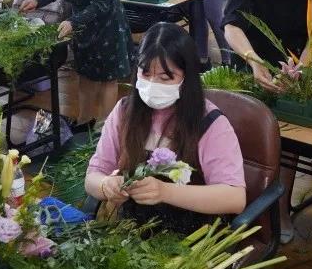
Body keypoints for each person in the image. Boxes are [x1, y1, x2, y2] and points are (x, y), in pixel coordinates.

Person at [224, 0, 312, 242]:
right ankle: (239, 205)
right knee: (246, 135)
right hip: (251, 56)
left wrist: (305, 64)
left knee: (289, 140)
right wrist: (255, 63)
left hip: (296, 60)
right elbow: (231, 24)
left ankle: (280, 209)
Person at [85, 23, 245, 235]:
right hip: (134, 229)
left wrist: (165, 192)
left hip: (192, 234)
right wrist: (106, 185)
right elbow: (93, 177)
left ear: (186, 78)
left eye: (165, 77)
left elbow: (234, 198)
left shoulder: (210, 123)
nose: (152, 84)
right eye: (145, 73)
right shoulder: (125, 111)